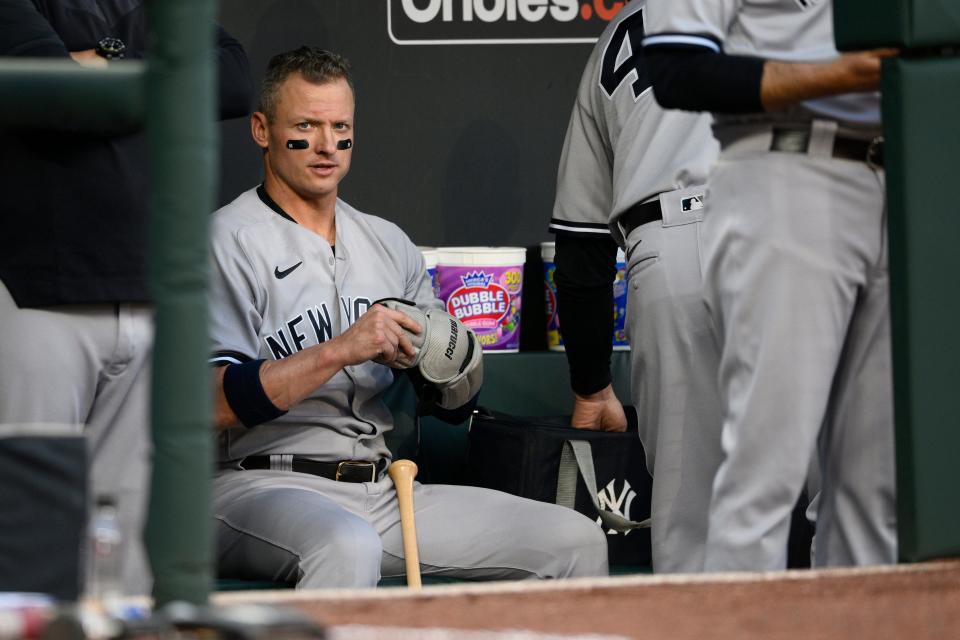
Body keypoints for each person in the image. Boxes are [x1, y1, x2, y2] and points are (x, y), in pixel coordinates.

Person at [208, 46, 608, 588]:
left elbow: (454, 403)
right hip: (256, 486)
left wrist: (442, 360)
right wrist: (341, 350)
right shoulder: (226, 239)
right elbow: (212, 403)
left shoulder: (388, 243)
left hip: (382, 488)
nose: (327, 145)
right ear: (262, 130)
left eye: (339, 127)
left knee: (574, 541)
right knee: (346, 546)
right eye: (306, 126)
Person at [0, 0, 252, 596]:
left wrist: (106, 60)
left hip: (146, 294)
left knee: (125, 556)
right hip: (39, 297)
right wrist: (159, 72)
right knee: (28, 536)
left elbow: (236, 79)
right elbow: (62, 96)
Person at [642, 0, 898, 570]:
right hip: (789, 169)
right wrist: (845, 73)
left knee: (874, 487)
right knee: (766, 471)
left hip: (903, 174)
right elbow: (676, 68)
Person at [549, 0, 723, 573]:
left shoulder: (616, 35)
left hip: (665, 246)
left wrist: (592, 385)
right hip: (776, 223)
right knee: (843, 479)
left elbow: (581, 244)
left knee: (686, 512)